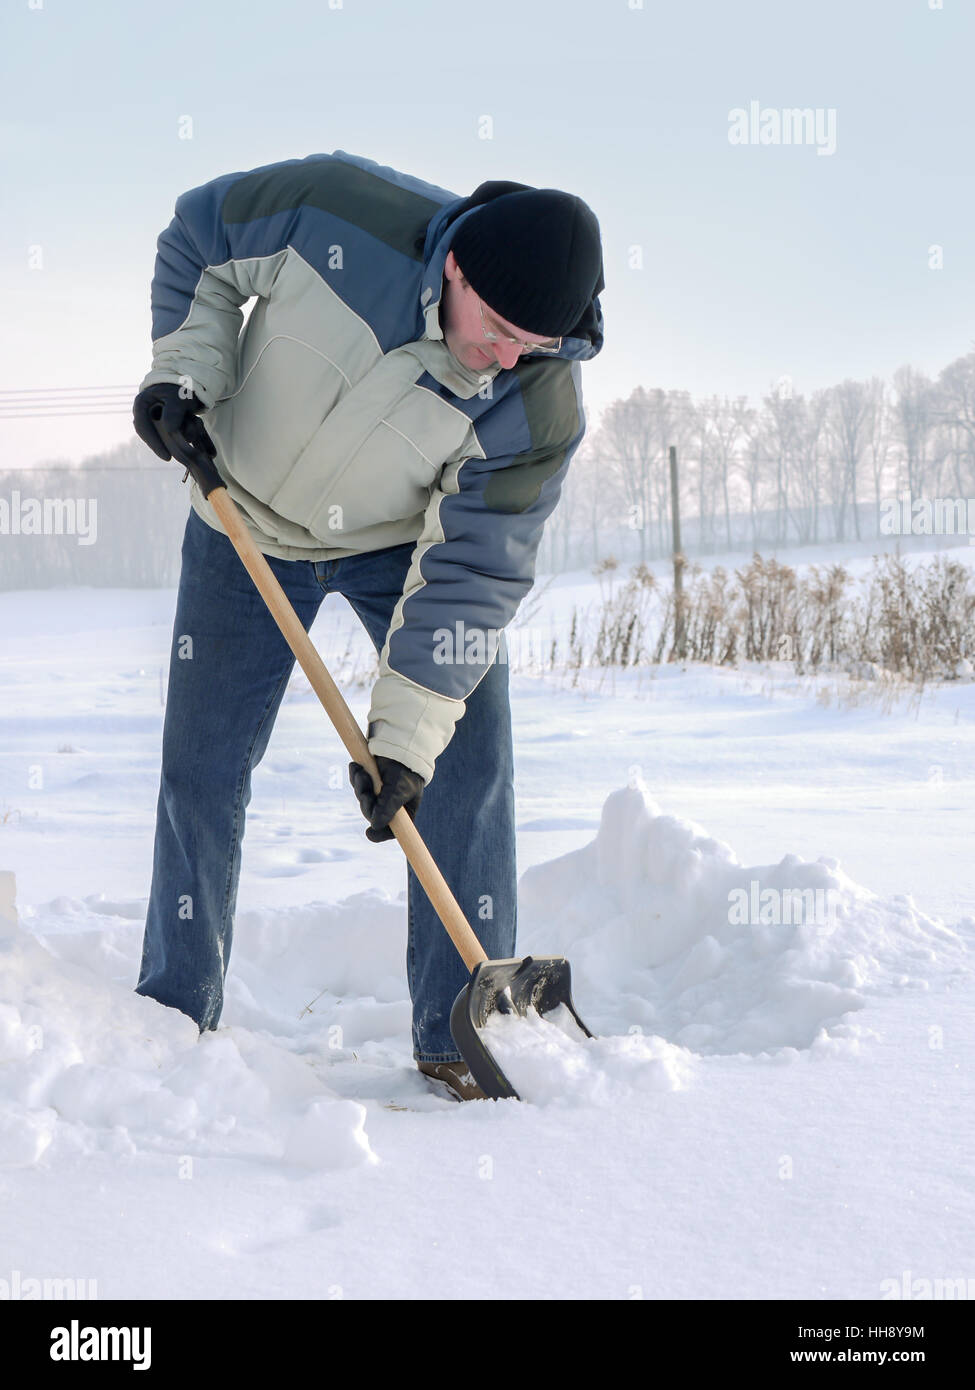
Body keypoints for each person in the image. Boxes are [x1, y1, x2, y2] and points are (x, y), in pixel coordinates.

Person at [132, 150, 604, 1101]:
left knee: (466, 757)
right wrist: (186, 375)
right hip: (245, 514)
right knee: (203, 765)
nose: (509, 358)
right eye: (500, 331)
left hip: (401, 546)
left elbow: (472, 571)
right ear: (455, 271)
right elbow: (200, 239)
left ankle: (453, 1034)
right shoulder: (334, 209)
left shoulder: (537, 398)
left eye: (535, 345)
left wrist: (405, 746)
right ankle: (170, 1020)